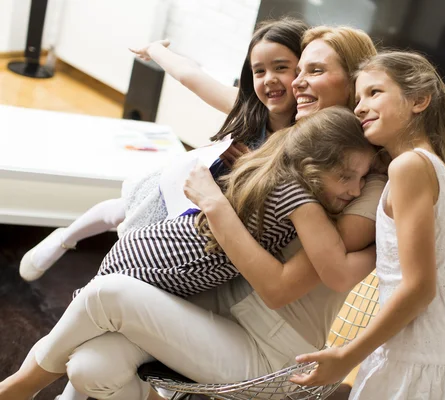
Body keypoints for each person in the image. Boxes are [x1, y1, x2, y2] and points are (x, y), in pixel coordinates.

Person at [0, 25, 382, 400]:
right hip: (209, 296)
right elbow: (197, 81)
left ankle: (20, 386)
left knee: (105, 295)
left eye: (312, 71)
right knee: (90, 369)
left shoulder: (359, 174)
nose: (295, 82)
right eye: (298, 70)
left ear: (354, 81)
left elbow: (292, 284)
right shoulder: (287, 139)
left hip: (270, 341)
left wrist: (214, 204)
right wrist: (159, 51)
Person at [19, 17, 307, 282]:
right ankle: (65, 238)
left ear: (304, 68)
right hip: (185, 183)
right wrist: (155, 50)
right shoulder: (245, 107)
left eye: (281, 67)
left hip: (209, 213)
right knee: (122, 207)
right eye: (259, 71)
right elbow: (190, 76)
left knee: (141, 240)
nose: (269, 78)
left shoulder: (306, 137)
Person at [289, 51, 445, 399]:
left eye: (374, 93)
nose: (359, 107)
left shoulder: (409, 167)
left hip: (419, 368)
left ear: (419, 100)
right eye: (356, 99)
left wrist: (346, 356)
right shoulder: (435, 165)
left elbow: (420, 288)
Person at [77, 107, 375, 298]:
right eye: (347, 177)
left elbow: (322, 277)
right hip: (158, 258)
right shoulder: (295, 190)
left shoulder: (300, 186)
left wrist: (214, 204)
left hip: (162, 263)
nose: (357, 190)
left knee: (80, 344)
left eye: (315, 70)